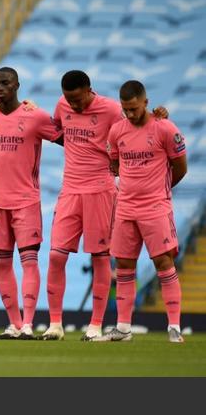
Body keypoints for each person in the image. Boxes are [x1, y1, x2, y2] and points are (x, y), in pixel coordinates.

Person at [43, 70, 166, 341]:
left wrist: (158, 118)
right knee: (55, 255)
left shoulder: (111, 109)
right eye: (68, 99)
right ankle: (54, 324)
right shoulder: (62, 105)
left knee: (100, 257)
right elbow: (54, 128)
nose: (73, 105)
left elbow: (137, 127)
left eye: (77, 99)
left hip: (101, 190)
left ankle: (95, 324)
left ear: (89, 90)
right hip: (70, 190)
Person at [0, 67, 62, 339]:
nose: (0, 87)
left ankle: (29, 324)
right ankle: (14, 324)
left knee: (29, 261)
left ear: (17, 84)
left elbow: (67, 138)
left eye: (5, 83)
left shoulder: (35, 117)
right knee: (2, 263)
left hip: (26, 201)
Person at [102, 80, 187, 343]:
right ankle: (123, 327)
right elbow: (114, 163)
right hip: (126, 207)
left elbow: (181, 166)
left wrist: (160, 191)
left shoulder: (164, 128)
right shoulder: (117, 131)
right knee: (125, 265)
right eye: (126, 109)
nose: (130, 114)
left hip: (155, 207)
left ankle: (174, 326)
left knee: (163, 262)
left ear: (146, 103)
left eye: (135, 109)